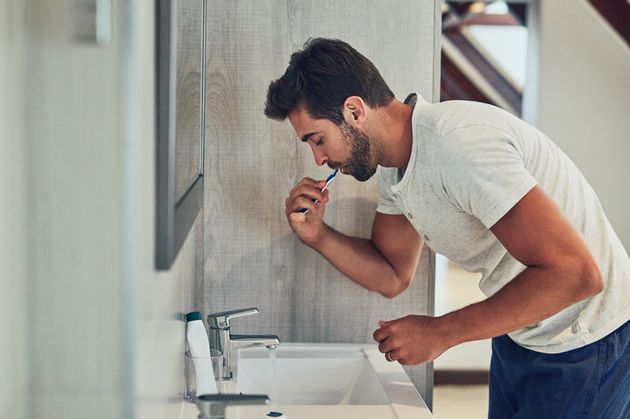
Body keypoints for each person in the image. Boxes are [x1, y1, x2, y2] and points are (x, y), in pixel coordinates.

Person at [264, 38, 630, 418]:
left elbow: (577, 274)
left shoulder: (459, 146)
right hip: (523, 331)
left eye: (318, 139)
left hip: (588, 337)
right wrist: (319, 237)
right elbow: (392, 273)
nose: (319, 158)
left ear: (355, 110)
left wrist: (441, 332)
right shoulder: (396, 167)